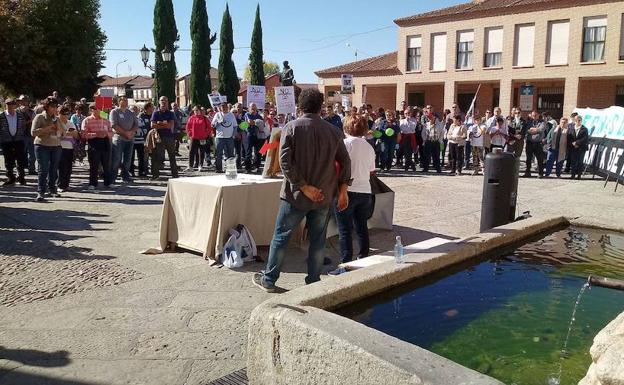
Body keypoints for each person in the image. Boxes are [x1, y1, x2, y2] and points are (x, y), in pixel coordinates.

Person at [253, 89, 350, 292]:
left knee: (281, 237)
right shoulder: (333, 131)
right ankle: (313, 281)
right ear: (320, 107)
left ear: (300, 106)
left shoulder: (291, 128)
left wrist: (304, 186)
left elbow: (284, 162)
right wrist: (343, 190)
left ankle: (269, 279)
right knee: (318, 240)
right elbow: (346, 162)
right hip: (323, 196)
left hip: (295, 195)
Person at [332, 115, 375, 267]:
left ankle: (346, 261)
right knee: (362, 226)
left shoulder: (344, 144)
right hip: (365, 190)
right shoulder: (369, 147)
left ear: (346, 127)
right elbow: (371, 170)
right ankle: (363, 256)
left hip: (346, 190)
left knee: (345, 229)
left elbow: (335, 166)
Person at [31, 96, 64, 201]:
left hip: (56, 146)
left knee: (53, 169)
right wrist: (47, 129)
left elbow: (62, 134)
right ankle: (41, 192)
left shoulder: (57, 119)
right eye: (52, 106)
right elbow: (33, 132)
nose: (55, 108)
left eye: (56, 106)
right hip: (42, 146)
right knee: (43, 169)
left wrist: (59, 129)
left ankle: (52, 190)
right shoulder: (39, 117)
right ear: (47, 107)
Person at [82, 104, 113, 190]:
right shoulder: (87, 120)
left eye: (98, 109)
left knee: (106, 164)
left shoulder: (105, 119)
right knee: (94, 165)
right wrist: (96, 134)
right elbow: (84, 134)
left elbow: (111, 132)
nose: (97, 111)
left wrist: (106, 134)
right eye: (94, 109)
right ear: (91, 110)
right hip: (94, 143)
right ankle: (93, 183)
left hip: (105, 142)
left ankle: (108, 182)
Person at [110, 96, 139, 184]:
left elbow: (136, 124)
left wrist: (131, 132)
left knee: (128, 159)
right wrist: (125, 133)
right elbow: (114, 125)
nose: (126, 102)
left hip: (130, 139)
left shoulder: (131, 113)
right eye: (123, 100)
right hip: (119, 138)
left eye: (126, 100)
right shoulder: (114, 111)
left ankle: (125, 176)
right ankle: (112, 177)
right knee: (117, 158)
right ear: (119, 102)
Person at [0, 98, 27, 186]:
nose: (10, 106)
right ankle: (11, 178)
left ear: (15, 105)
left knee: (20, 160)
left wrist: (20, 134)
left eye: (12, 104)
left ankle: (21, 177)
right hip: (6, 141)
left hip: (18, 140)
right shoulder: (1, 116)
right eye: (8, 104)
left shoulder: (19, 115)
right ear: (6, 105)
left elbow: (23, 126)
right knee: (8, 160)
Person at [151, 96, 178, 180]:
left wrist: (159, 124)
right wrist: (164, 124)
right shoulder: (155, 113)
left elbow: (170, 125)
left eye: (165, 100)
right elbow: (152, 125)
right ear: (159, 102)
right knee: (157, 156)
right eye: (162, 100)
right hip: (159, 137)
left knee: (172, 156)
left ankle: (175, 175)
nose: (164, 102)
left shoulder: (170, 113)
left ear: (167, 102)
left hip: (169, 137)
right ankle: (155, 175)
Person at [57, 106, 79, 192]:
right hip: (59, 147)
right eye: (63, 114)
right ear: (59, 113)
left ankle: (66, 185)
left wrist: (66, 133)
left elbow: (76, 135)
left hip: (70, 147)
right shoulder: (56, 122)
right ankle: (60, 185)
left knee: (68, 167)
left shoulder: (70, 123)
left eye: (67, 114)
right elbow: (58, 135)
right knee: (61, 167)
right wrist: (68, 133)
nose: (66, 115)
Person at [211, 103, 237, 173]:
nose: (224, 108)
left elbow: (235, 126)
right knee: (218, 154)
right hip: (220, 137)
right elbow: (213, 125)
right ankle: (219, 168)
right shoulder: (217, 115)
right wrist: (219, 122)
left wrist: (234, 134)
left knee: (230, 154)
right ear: (220, 108)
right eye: (222, 107)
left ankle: (230, 169)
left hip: (229, 137)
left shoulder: (231, 115)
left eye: (225, 107)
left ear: (227, 107)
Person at [186, 105, 212, 172]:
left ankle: (200, 166)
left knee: (201, 152)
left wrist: (205, 134)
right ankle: (190, 166)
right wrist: (190, 134)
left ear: (200, 111)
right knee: (191, 151)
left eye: (197, 110)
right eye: (194, 110)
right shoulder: (191, 118)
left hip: (202, 138)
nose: (195, 112)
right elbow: (188, 127)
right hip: (193, 138)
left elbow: (209, 127)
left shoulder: (204, 118)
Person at [131, 102, 152, 178]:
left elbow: (145, 130)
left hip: (140, 141)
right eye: (132, 110)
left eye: (135, 110)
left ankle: (141, 171)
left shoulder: (140, 119)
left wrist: (137, 131)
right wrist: (136, 131)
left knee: (141, 157)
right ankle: (131, 171)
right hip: (132, 141)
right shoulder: (129, 120)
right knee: (131, 158)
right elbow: (129, 129)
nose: (134, 112)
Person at [524, 110, 546, 178]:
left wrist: (533, 130)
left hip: (538, 143)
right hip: (529, 142)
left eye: (535, 115)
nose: (534, 117)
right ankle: (528, 172)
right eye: (533, 115)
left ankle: (540, 173)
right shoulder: (529, 121)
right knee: (528, 158)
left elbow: (540, 130)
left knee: (540, 159)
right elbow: (526, 130)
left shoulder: (543, 122)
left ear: (538, 115)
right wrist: (535, 130)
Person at [243, 103, 263, 173]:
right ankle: (247, 168)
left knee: (258, 152)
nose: (253, 110)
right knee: (248, 152)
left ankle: (256, 167)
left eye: (255, 108)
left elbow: (262, 125)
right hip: (250, 135)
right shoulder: (247, 114)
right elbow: (249, 122)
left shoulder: (259, 116)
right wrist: (256, 123)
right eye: (252, 108)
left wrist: (254, 123)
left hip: (258, 135)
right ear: (249, 109)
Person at [569, 115, 589, 180]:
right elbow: (569, 137)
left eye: (579, 120)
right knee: (573, 162)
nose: (578, 121)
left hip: (581, 148)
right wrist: (573, 143)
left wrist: (577, 143)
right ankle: (573, 175)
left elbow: (585, 138)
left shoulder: (584, 129)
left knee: (580, 162)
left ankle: (579, 175)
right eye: (576, 120)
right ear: (574, 121)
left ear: (581, 121)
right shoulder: (571, 128)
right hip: (573, 148)